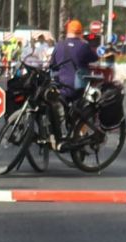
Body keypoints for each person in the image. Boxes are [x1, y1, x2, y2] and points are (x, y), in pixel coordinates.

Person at [46, 20, 99, 150]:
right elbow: (95, 58)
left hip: (60, 86)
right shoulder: (83, 46)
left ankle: (59, 134)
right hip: (77, 86)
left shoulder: (59, 45)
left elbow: (52, 65)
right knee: (82, 110)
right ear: (80, 33)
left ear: (68, 31)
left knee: (55, 106)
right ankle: (80, 134)